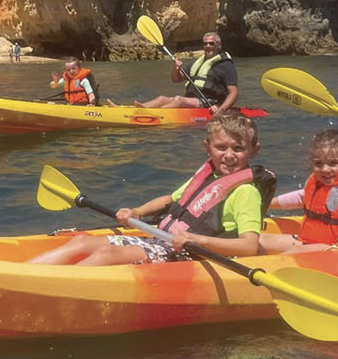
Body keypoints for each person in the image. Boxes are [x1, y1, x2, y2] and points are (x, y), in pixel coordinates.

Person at [27, 112, 276, 265]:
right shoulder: (208, 176)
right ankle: (25, 276)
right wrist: (137, 211)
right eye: (222, 147)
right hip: (165, 243)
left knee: (107, 256)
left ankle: (45, 292)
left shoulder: (246, 193)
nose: (229, 155)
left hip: (194, 257)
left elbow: (249, 247)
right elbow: (170, 199)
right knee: (81, 243)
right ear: (208, 148)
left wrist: (194, 239)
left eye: (238, 149)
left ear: (254, 150)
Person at [135, 31, 239, 114]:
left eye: (211, 43)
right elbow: (176, 79)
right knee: (161, 98)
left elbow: (233, 93)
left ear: (219, 45)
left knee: (179, 99)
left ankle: (153, 115)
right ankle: (138, 110)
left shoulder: (226, 65)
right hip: (193, 100)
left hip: (210, 102)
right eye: (205, 43)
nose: (208, 46)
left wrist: (220, 110)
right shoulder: (199, 62)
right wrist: (176, 69)